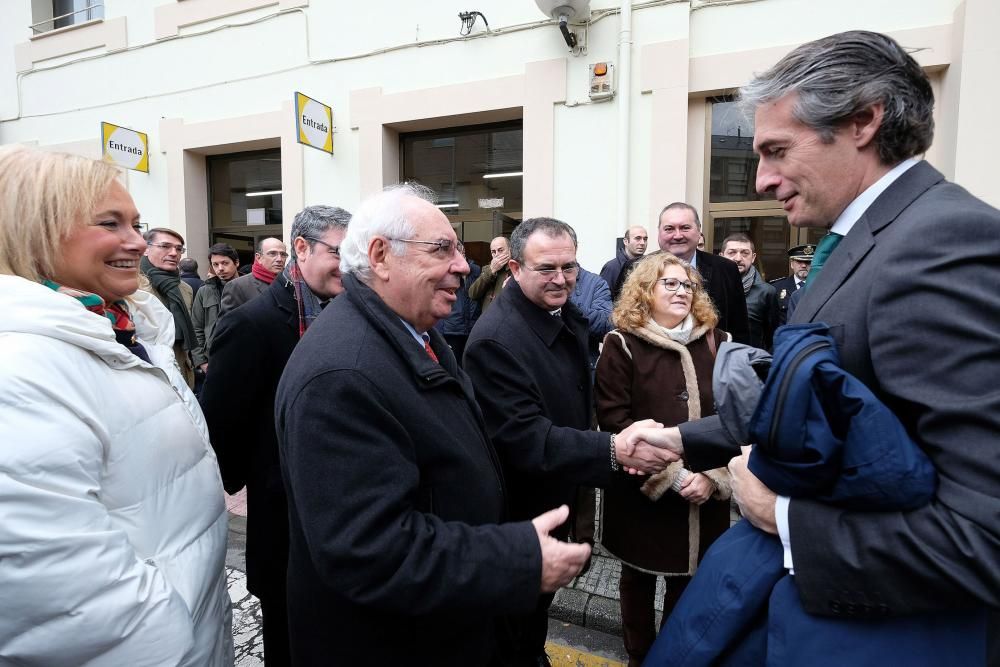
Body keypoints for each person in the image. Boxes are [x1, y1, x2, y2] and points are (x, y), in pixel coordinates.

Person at [629, 30, 1000, 664]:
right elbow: (826, 403)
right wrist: (683, 439)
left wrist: (782, 517)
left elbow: (982, 535)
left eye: (776, 150)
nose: (763, 180)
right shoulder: (873, 239)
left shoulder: (944, 245)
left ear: (862, 120)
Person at [274, 186, 666, 665]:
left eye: (457, 248)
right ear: (380, 256)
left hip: (443, 622)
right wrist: (514, 558)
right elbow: (368, 550)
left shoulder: (416, 333)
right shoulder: (342, 373)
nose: (463, 265)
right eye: (442, 249)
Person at [0, 145, 232, 665]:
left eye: (137, 224)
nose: (137, 243)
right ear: (33, 229)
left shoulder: (126, 331)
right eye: (111, 223)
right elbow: (60, 597)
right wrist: (173, 639)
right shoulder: (18, 368)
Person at [465, 217, 666, 666]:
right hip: (522, 512)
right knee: (514, 623)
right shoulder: (497, 339)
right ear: (514, 268)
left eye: (569, 267)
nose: (561, 279)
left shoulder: (563, 313)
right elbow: (524, 439)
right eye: (547, 269)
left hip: (559, 494)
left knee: (536, 614)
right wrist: (613, 450)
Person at [200, 205, 350, 665]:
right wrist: (263, 477)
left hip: (344, 518)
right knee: (289, 640)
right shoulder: (252, 323)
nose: (349, 265)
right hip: (284, 519)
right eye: (338, 252)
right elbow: (221, 423)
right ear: (301, 248)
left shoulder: (348, 312)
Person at [595, 252, 732, 666]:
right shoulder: (622, 343)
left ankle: (673, 657)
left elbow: (736, 419)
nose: (680, 291)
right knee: (637, 577)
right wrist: (671, 477)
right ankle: (640, 656)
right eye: (668, 283)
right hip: (643, 489)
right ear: (646, 291)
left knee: (689, 583)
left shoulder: (719, 341)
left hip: (705, 493)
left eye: (687, 284)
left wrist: (714, 477)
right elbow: (613, 417)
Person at [653, 204, 750, 343]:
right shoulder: (636, 269)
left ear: (699, 231)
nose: (678, 235)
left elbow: (739, 328)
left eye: (685, 228)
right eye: (669, 229)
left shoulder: (726, 269)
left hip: (713, 360)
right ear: (659, 232)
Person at [141, 226, 197, 387]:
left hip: (181, 372)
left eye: (179, 249)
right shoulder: (133, 286)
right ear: (146, 249)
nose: (174, 253)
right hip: (149, 375)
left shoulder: (184, 289)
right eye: (165, 246)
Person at [721, 233, 779, 349]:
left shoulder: (766, 292)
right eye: (732, 252)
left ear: (753, 257)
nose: (738, 258)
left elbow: (772, 337)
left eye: (745, 253)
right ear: (721, 256)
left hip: (750, 361)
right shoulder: (711, 286)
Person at [191, 242, 240, 374]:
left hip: (244, 355)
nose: (220, 268)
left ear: (236, 263)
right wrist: (201, 362)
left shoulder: (248, 287)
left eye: (225, 263)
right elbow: (196, 327)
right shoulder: (205, 291)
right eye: (215, 264)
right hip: (214, 358)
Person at [433, 239, 481, 365]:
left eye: (463, 252)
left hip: (472, 328)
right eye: (457, 253)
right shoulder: (444, 271)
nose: (461, 256)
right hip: (451, 328)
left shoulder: (475, 271)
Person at [220, 236, 288, 313]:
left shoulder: (291, 283)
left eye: (283, 254)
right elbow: (227, 323)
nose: (279, 259)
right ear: (258, 258)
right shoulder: (237, 286)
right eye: (272, 254)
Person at [768, 244, 813, 326]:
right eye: (799, 261)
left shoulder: (822, 288)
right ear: (792, 264)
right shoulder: (776, 288)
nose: (803, 265)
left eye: (808, 262)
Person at [600, 225, 647, 298]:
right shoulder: (612, 267)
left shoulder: (648, 266)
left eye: (645, 239)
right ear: (626, 241)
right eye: (638, 238)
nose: (642, 243)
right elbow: (603, 298)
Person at [467, 235, 511, 313]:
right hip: (488, 318)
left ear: (510, 250)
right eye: (493, 252)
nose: (496, 254)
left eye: (500, 250)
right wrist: (491, 270)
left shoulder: (515, 269)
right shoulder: (487, 268)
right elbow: (473, 294)